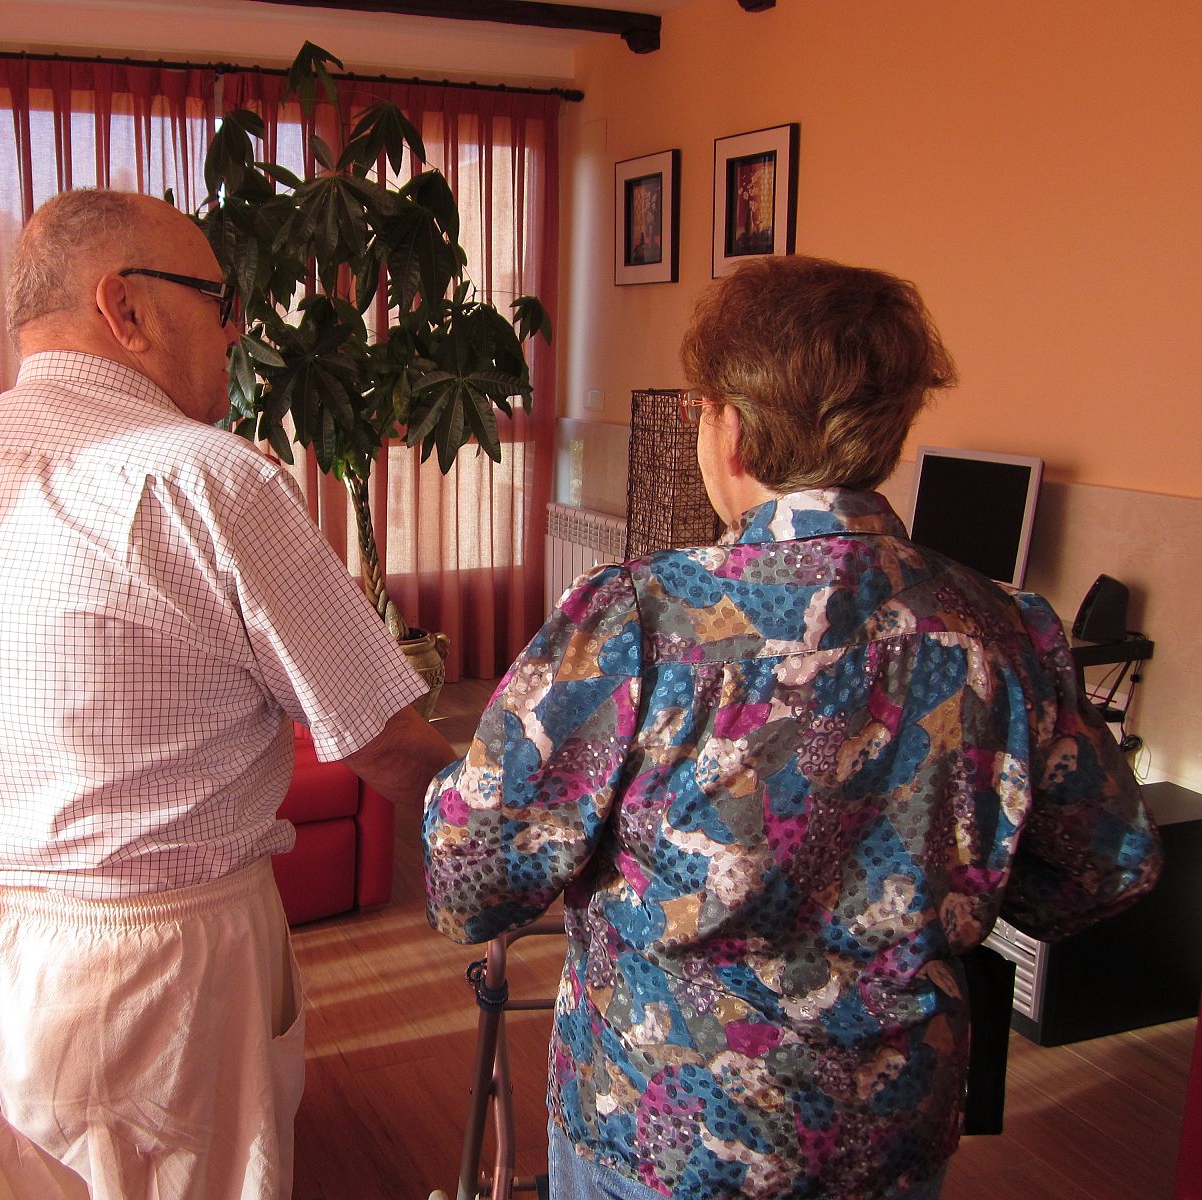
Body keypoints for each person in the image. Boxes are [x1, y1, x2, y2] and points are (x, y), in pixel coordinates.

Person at [0, 188, 456, 1200]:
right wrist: (534, 836)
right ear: (122, 307)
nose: (233, 330)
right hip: (153, 965)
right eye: (217, 299)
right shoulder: (213, 480)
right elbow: (382, 743)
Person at [422, 256, 1160, 1200]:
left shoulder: (640, 620)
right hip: (887, 1135)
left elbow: (466, 876)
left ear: (729, 427)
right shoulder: (1009, 628)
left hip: (660, 1132)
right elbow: (1107, 864)